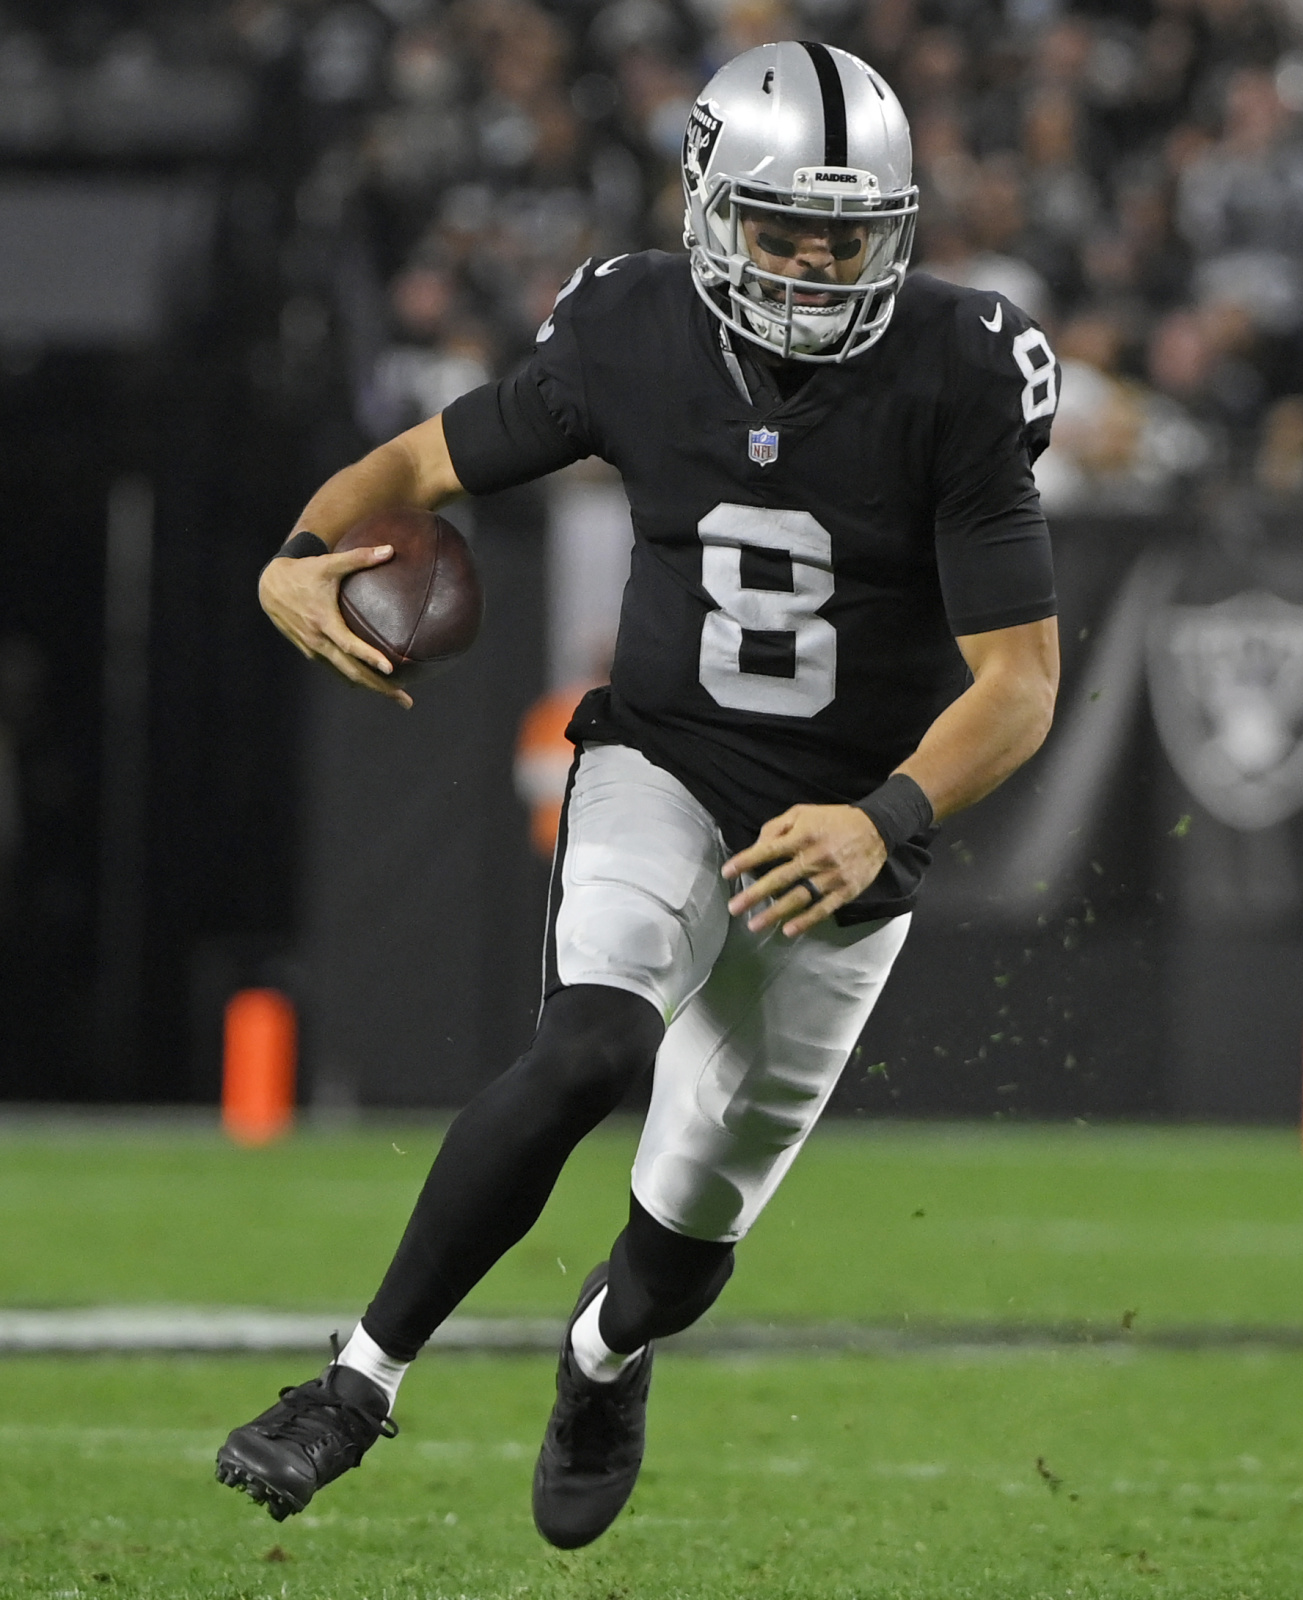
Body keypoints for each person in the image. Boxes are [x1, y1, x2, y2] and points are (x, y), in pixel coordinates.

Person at [216, 39, 1061, 1551]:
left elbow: (1020, 682)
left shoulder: (961, 367)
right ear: (708, 206)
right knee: (592, 1044)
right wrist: (295, 553)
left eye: (848, 233)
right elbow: (417, 463)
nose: (816, 264)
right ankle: (353, 1385)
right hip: (665, 762)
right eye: (786, 226)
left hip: (850, 836)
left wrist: (884, 816)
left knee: (686, 1230)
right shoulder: (629, 329)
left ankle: (605, 1357)